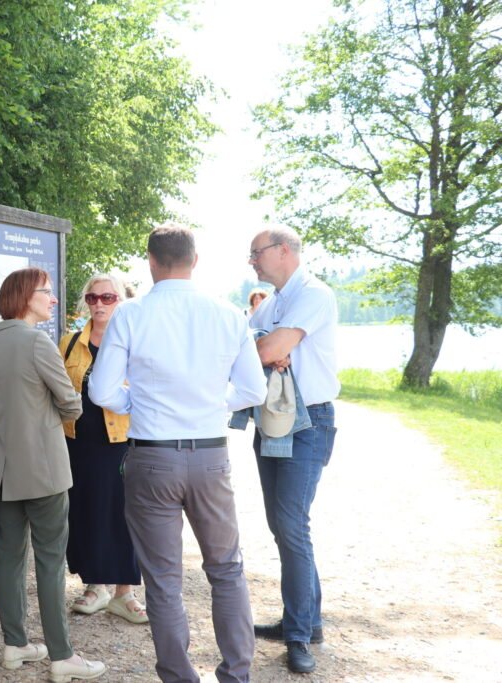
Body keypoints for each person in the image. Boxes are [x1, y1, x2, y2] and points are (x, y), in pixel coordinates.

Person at [89, 223, 266, 683]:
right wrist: (211, 403)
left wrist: (138, 403)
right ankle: (236, 675)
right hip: (210, 456)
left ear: (151, 261)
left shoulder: (130, 315)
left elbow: (102, 390)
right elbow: (254, 390)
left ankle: (179, 677)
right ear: (195, 261)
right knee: (226, 570)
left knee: (164, 579)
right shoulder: (228, 314)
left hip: (152, 457)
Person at [0, 267, 107, 683]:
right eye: (47, 291)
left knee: (8, 556)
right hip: (43, 468)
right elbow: (71, 403)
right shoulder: (37, 342)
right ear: (26, 295)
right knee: (49, 560)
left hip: (1, 469)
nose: (53, 298)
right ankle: (62, 656)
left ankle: (15, 644)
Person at [246, 227, 339, 674]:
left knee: (291, 524)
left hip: (308, 422)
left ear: (283, 250)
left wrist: (271, 347)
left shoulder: (314, 294)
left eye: (256, 252)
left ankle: (299, 634)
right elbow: (251, 347)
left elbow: (268, 349)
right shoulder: (272, 302)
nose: (251, 260)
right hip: (274, 419)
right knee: (283, 526)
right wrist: (265, 347)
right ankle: (306, 621)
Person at [58, 275, 145, 624]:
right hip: (78, 443)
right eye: (93, 297)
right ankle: (96, 586)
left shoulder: (136, 340)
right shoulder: (68, 343)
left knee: (125, 515)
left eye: (108, 297)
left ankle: (125, 592)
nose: (99, 304)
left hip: (122, 442)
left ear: (121, 300)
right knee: (86, 512)